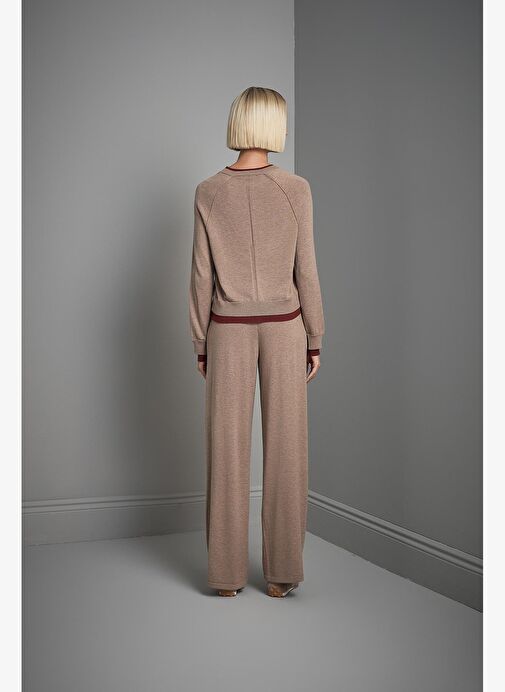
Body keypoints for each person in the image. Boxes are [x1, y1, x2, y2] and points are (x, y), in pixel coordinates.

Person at [189, 86, 325, 598]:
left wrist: (201, 342)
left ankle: (225, 578)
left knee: (225, 451)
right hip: (286, 327)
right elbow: (306, 269)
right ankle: (282, 575)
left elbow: (201, 275)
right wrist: (315, 336)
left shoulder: (208, 191)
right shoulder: (296, 188)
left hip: (227, 330)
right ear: (272, 125)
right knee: (287, 449)